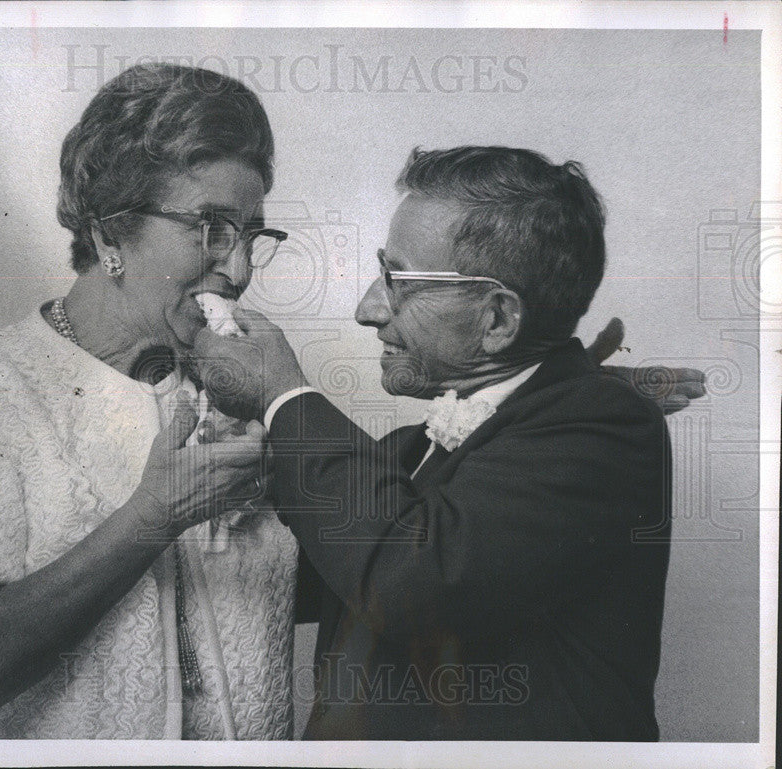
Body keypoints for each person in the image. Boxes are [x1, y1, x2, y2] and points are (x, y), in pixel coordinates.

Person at [195, 146, 697, 740]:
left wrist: (284, 398)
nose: (367, 310)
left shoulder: (607, 425)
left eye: (398, 281)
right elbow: (305, 576)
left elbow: (409, 582)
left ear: (498, 322)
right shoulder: (411, 452)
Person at [0, 63, 300, 739]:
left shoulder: (245, 388)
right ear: (108, 235)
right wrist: (155, 518)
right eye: (212, 229)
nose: (240, 270)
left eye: (250, 235)